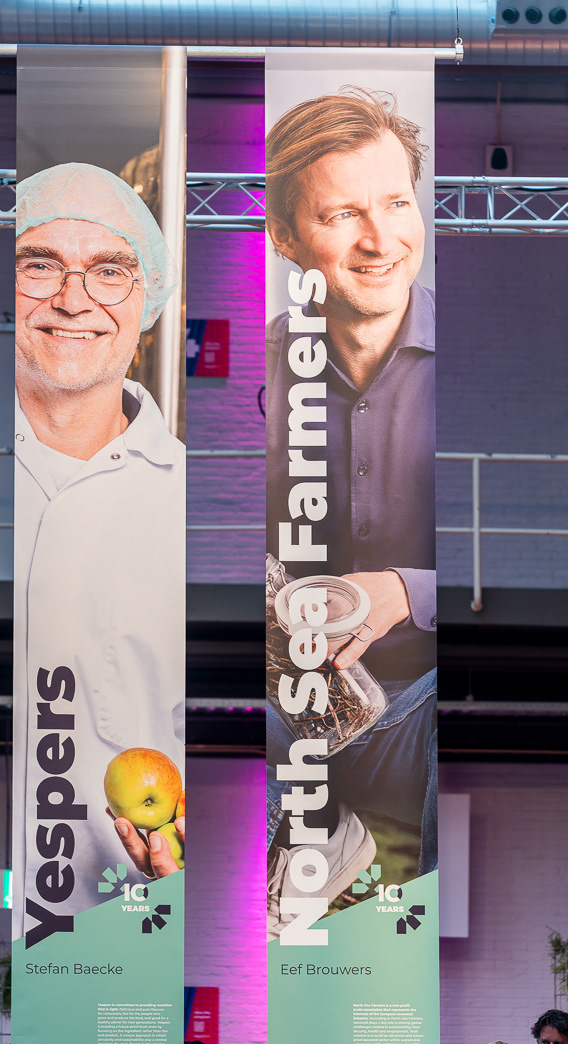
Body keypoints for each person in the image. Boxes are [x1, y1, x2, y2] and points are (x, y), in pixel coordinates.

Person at [264, 89, 437, 937]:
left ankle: (391, 912)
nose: (380, 241)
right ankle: (318, 840)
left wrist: (405, 591)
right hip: (298, 692)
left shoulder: (471, 360)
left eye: (397, 203)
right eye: (343, 215)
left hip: (424, 689)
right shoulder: (269, 363)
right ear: (285, 237)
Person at [12, 162, 186, 940]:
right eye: (40, 264)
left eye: (109, 271)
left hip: (125, 928)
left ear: (148, 300)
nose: (73, 298)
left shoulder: (190, 503)